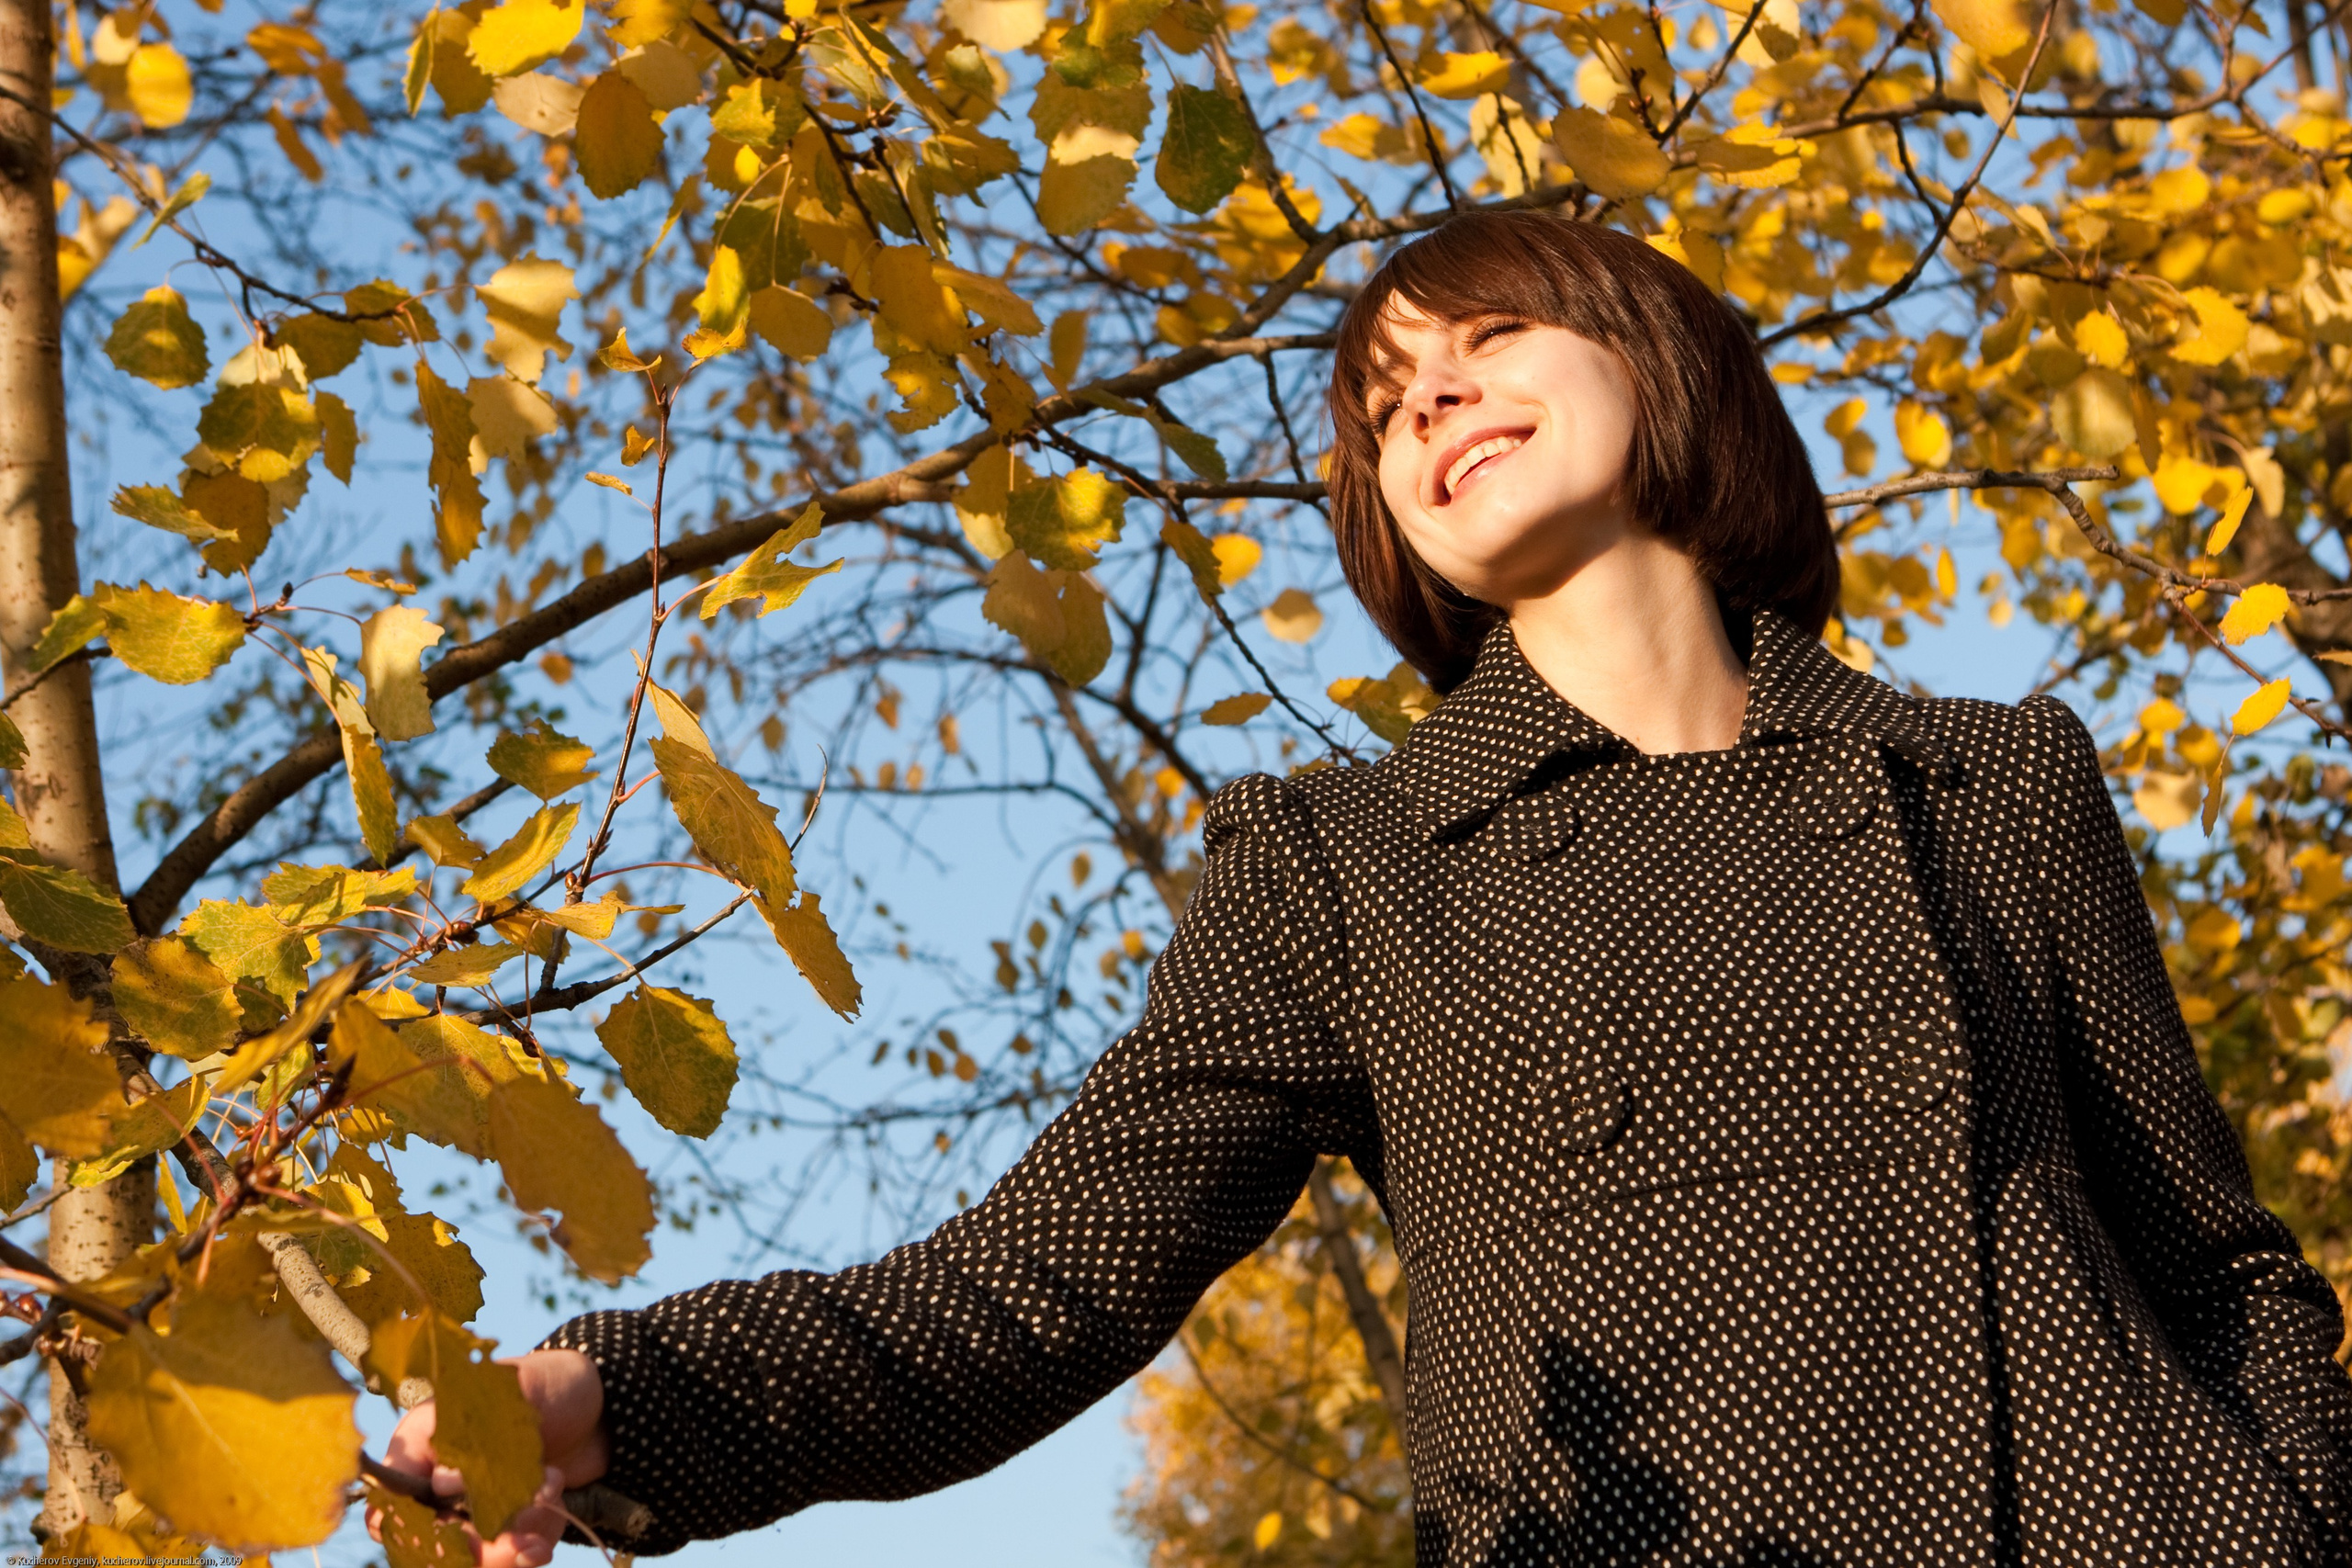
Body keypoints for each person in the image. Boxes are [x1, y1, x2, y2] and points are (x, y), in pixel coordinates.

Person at [370, 209, 2352, 1567]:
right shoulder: (1341, 868)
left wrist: (2287, 1517)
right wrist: (610, 1396)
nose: (1428, 398)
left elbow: (2215, 1263)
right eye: (1385, 395)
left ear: (1657, 366)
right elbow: (1024, 1286)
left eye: (1488, 340)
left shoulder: (1984, 776)